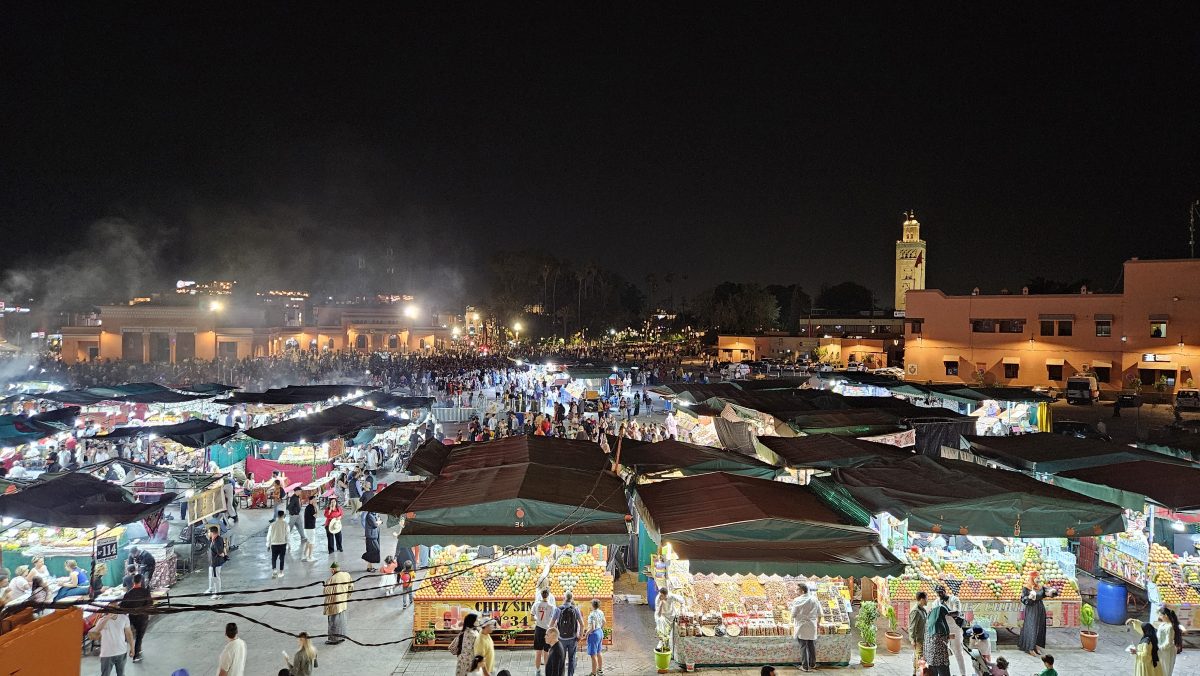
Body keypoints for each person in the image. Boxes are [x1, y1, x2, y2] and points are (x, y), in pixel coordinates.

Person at [120, 573, 153, 662]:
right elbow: (150, 604)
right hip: (142, 618)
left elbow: (122, 606)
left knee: (138, 635)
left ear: (133, 581)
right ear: (141, 581)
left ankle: (138, 649)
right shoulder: (145, 592)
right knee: (139, 636)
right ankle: (136, 655)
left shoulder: (129, 593)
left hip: (132, 618)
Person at [1018, 571, 1052, 655]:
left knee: (1040, 627)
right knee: (1032, 627)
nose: (1039, 580)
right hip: (1032, 609)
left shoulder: (1040, 587)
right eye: (1037, 578)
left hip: (1040, 608)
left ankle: (1036, 646)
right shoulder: (1026, 588)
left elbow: (1047, 593)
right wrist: (1029, 597)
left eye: (1039, 578)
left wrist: (1051, 592)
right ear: (1032, 578)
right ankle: (1030, 648)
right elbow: (1023, 599)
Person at [550, 592, 584, 676]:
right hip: (573, 638)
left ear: (564, 598)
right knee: (571, 659)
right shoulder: (575, 609)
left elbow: (551, 625)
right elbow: (582, 624)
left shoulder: (558, 609)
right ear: (572, 599)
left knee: (562, 659)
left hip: (561, 639)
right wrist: (580, 636)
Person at [937, 583, 967, 676]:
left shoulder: (954, 599)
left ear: (945, 592)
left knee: (958, 652)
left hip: (955, 630)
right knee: (942, 653)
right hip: (944, 631)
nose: (939, 595)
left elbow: (957, 613)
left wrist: (944, 612)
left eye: (941, 592)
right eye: (937, 593)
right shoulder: (937, 601)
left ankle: (963, 674)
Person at [789, 582, 820, 673]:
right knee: (811, 645)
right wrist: (818, 622)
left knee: (803, 646)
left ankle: (805, 666)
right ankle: (812, 664)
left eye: (797, 589)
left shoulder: (797, 600)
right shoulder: (814, 599)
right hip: (812, 625)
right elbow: (819, 612)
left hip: (802, 626)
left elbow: (793, 614)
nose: (796, 591)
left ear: (802, 591)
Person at [95, 608, 135, 676]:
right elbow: (97, 629)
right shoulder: (102, 620)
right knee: (105, 674)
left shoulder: (124, 618)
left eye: (115, 607)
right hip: (107, 654)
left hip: (121, 652)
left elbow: (129, 633)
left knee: (121, 674)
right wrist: (108, 617)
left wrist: (132, 648)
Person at [322, 562, 354, 644]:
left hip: (334, 604)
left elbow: (326, 592)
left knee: (333, 622)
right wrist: (346, 597)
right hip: (343, 603)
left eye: (331, 570)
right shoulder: (346, 575)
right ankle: (342, 637)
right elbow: (351, 587)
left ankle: (334, 639)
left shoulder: (331, 579)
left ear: (333, 569)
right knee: (342, 620)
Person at [924, 589, 952, 676]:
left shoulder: (929, 622)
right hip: (940, 659)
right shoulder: (940, 626)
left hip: (930, 658)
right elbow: (944, 638)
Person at [531, 587, 558, 675]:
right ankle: (547, 671)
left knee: (538, 651)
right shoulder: (552, 607)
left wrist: (537, 619)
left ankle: (538, 671)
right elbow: (554, 620)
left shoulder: (536, 605)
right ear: (548, 595)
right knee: (546, 651)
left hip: (539, 628)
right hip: (548, 630)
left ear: (541, 595)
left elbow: (531, 618)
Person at [1155, 607, 1183, 676]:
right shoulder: (1162, 624)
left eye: (1160, 615)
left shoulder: (1170, 627)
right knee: (1159, 668)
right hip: (1160, 650)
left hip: (1167, 651)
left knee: (1165, 670)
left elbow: (1168, 642)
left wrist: (1159, 648)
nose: (1159, 616)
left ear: (1166, 615)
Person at [908, 591, 929, 676]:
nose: (927, 600)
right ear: (921, 599)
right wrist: (912, 640)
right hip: (918, 640)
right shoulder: (916, 611)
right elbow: (912, 626)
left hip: (922, 638)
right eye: (926, 598)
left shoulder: (922, 610)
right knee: (920, 659)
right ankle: (918, 673)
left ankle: (914, 673)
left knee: (918, 657)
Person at [206, 525, 228, 599]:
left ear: (212, 533)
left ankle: (217, 594)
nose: (207, 533)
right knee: (212, 577)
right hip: (212, 563)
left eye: (208, 532)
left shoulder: (217, 541)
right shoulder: (214, 539)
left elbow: (221, 553)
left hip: (216, 563)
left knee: (216, 578)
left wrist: (223, 554)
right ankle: (211, 589)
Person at [361, 495, 381, 572]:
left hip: (374, 535)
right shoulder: (369, 515)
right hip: (371, 536)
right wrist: (379, 522)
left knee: (372, 551)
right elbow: (375, 524)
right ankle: (365, 557)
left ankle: (369, 567)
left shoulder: (374, 514)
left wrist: (378, 520)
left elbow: (377, 520)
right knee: (375, 550)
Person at [586, 598, 605, 676]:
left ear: (592, 606)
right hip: (600, 632)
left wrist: (586, 634)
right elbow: (604, 621)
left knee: (593, 655)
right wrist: (600, 628)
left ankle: (593, 673)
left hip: (594, 634)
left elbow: (592, 628)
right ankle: (600, 669)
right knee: (599, 652)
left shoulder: (592, 614)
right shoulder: (601, 612)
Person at [268, 509, 290, 578]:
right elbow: (287, 535)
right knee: (282, 558)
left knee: (273, 558)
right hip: (282, 544)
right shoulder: (285, 524)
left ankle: (274, 569)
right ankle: (281, 572)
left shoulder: (272, 524)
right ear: (283, 516)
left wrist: (268, 545)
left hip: (274, 544)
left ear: (277, 516)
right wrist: (289, 544)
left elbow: (269, 535)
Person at [302, 495, 318, 562]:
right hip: (310, 527)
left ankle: (305, 554)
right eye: (315, 499)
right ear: (311, 500)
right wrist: (316, 507)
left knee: (309, 541)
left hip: (307, 527)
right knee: (312, 542)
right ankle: (310, 557)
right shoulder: (311, 507)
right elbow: (316, 516)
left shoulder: (308, 507)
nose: (316, 500)